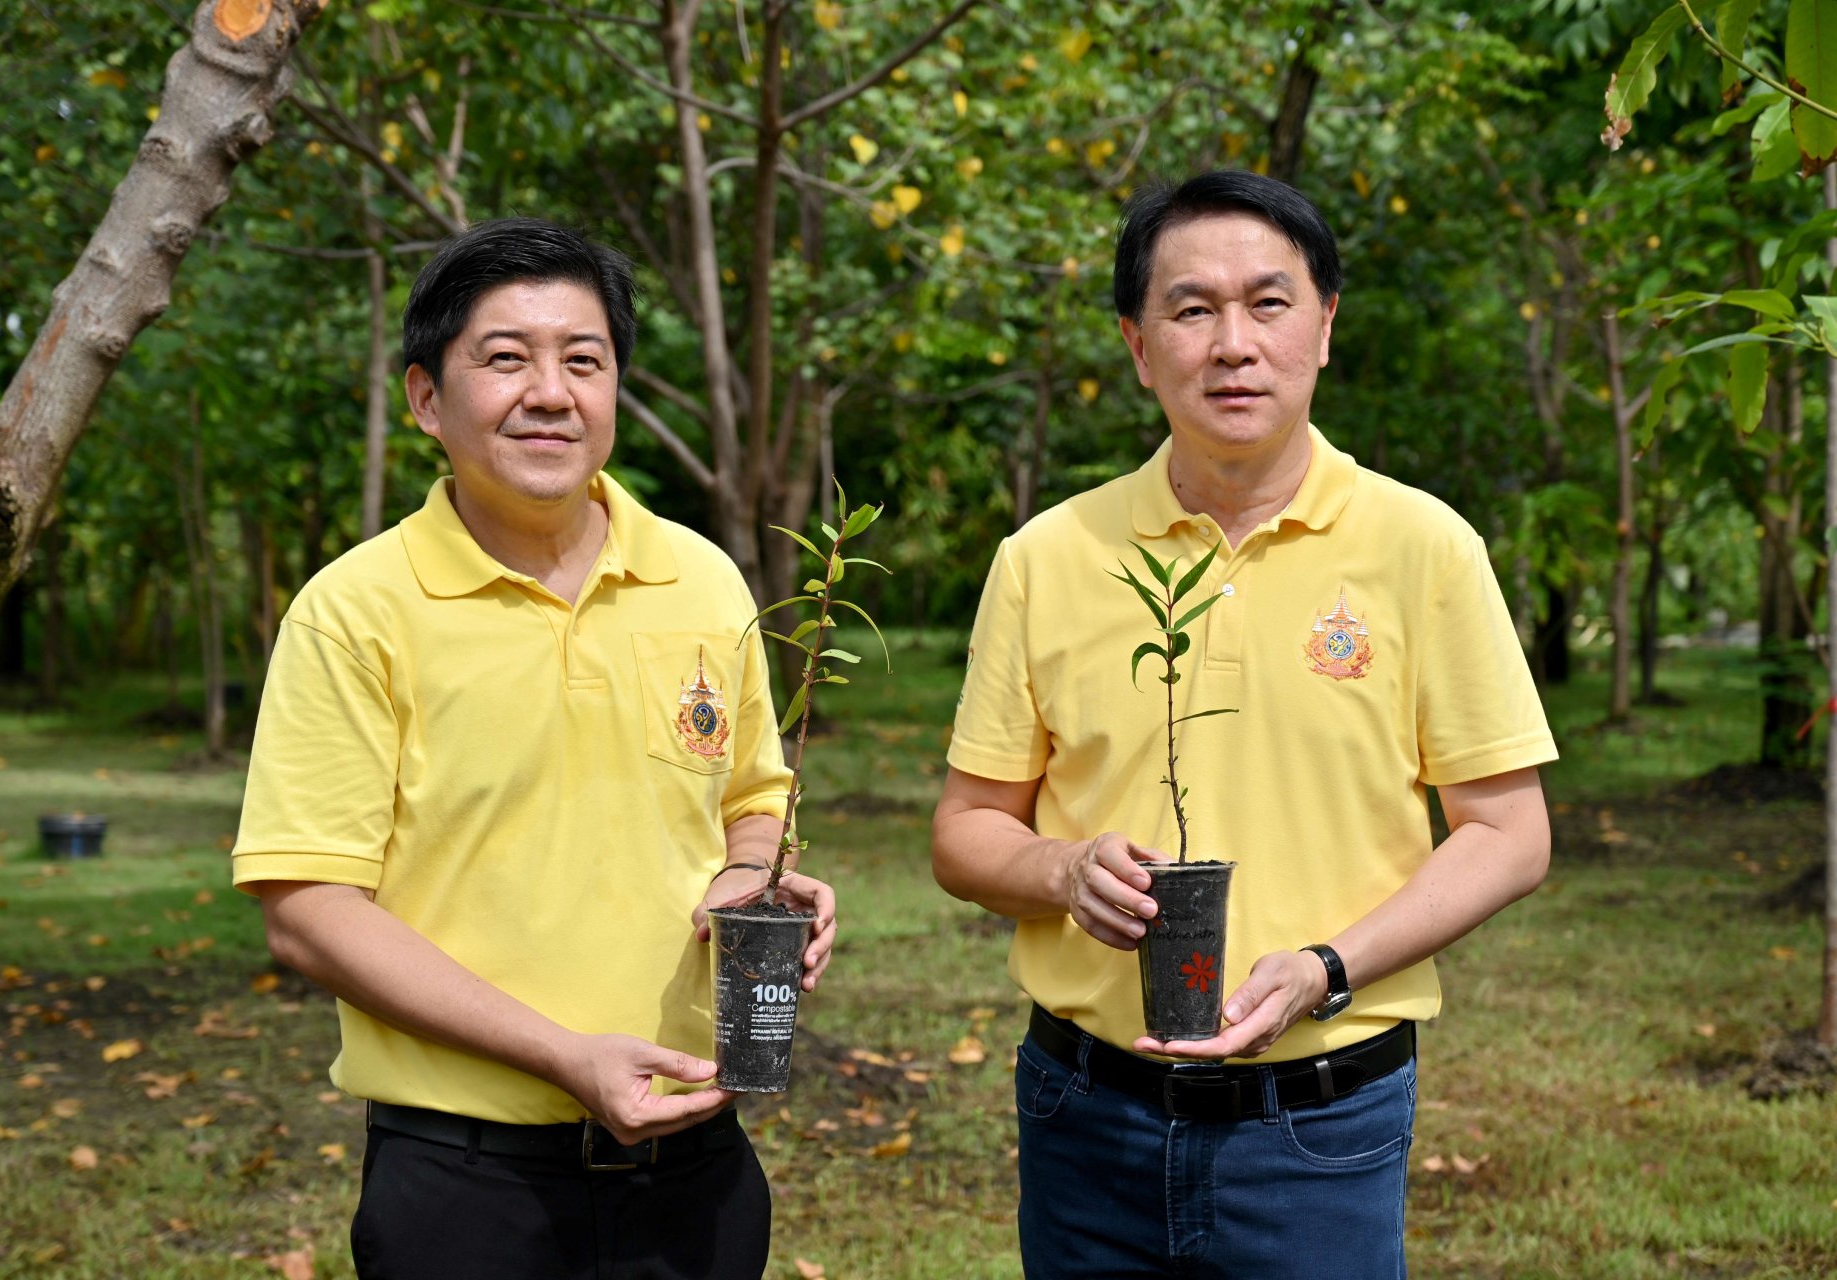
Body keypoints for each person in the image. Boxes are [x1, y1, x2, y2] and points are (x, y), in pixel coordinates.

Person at [929, 170, 1556, 1278]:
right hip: (1087, 1114)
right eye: (1191, 309)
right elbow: (966, 830)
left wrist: (1328, 966)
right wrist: (1062, 868)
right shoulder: (1049, 557)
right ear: (1138, 345)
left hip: (1321, 1122)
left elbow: (1510, 834)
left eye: (1269, 303)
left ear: (1325, 327)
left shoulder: (1424, 548)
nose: (1233, 345)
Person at [231, 218, 835, 1280]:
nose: (551, 393)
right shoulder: (354, 611)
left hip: (697, 1165)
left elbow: (753, 796)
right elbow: (309, 908)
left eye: (583, 361)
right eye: (506, 358)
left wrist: (754, 875)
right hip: (467, 1186)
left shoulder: (700, 578)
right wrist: (564, 1055)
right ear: (427, 398)